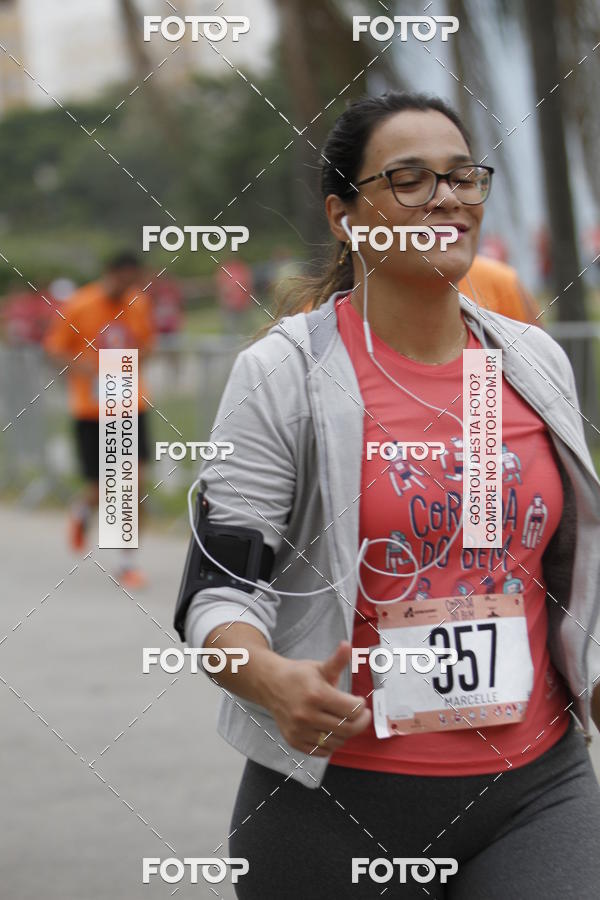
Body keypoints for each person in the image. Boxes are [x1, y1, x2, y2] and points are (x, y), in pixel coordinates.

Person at [179, 93, 600, 897]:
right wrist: (269, 677)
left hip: (535, 790)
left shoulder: (530, 360)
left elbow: (561, 565)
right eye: (408, 180)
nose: (446, 198)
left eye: (462, 176)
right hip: (336, 802)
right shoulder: (285, 373)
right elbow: (218, 587)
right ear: (344, 216)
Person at [44, 252, 155, 588]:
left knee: (133, 482)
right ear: (110, 273)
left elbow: (148, 344)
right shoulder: (80, 304)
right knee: (103, 488)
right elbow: (54, 349)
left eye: (133, 281)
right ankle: (82, 510)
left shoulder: (138, 304)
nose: (127, 286)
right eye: (123, 279)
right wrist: (83, 368)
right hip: (91, 410)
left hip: (129, 406)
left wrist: (127, 366)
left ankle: (127, 561)